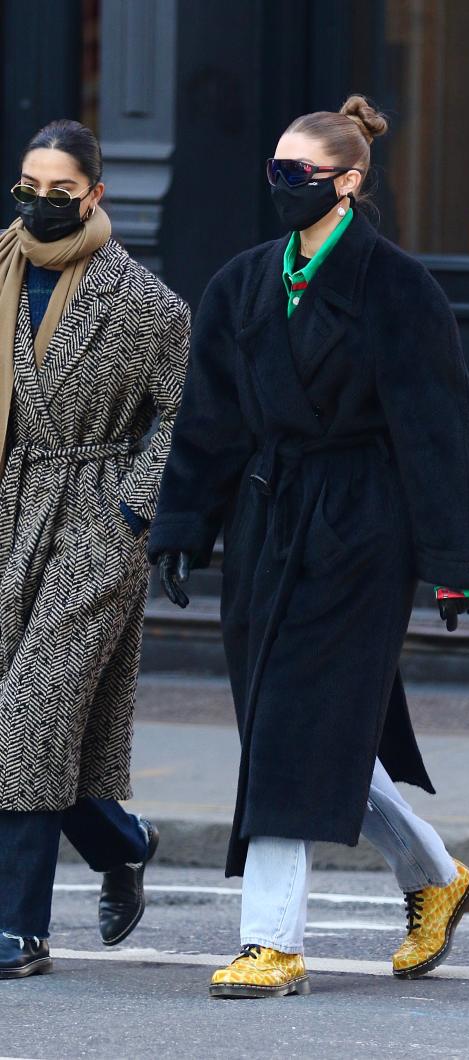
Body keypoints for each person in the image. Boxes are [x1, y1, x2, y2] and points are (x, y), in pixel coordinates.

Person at [150, 95, 469, 999]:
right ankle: (438, 877)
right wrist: (183, 525)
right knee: (294, 729)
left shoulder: (398, 289)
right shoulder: (242, 284)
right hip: (269, 522)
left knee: (294, 727)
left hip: (361, 530)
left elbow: (439, 429)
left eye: (298, 174)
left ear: (348, 180)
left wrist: (460, 568)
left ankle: (272, 943)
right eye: (273, 171)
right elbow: (210, 421)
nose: (281, 187)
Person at [0, 120, 189, 979]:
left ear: (95, 196)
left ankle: (20, 926)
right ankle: (121, 839)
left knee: (30, 711)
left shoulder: (146, 303)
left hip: (94, 518)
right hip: (11, 505)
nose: (40, 206)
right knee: (25, 726)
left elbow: (183, 414)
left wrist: (132, 510)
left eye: (60, 193)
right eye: (27, 190)